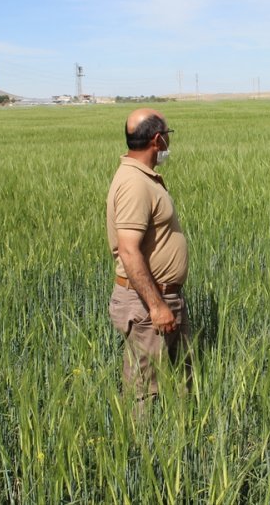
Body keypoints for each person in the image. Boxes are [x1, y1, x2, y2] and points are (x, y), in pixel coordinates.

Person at [106, 108, 189, 401]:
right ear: (157, 140)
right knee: (147, 393)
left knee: (173, 383)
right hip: (146, 304)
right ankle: (142, 447)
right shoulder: (134, 184)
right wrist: (156, 306)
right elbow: (128, 250)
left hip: (161, 297)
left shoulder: (142, 177)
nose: (168, 141)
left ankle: (174, 444)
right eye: (168, 135)